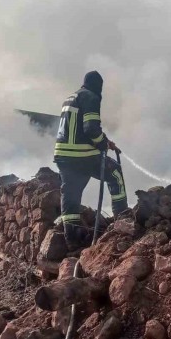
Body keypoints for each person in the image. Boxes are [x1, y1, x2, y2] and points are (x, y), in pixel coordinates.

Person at [53, 71, 129, 245]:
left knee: (71, 194)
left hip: (63, 155)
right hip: (82, 155)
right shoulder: (91, 97)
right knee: (115, 174)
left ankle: (72, 239)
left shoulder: (71, 97)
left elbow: (80, 128)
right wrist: (102, 143)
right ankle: (122, 220)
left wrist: (106, 142)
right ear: (98, 85)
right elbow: (91, 129)